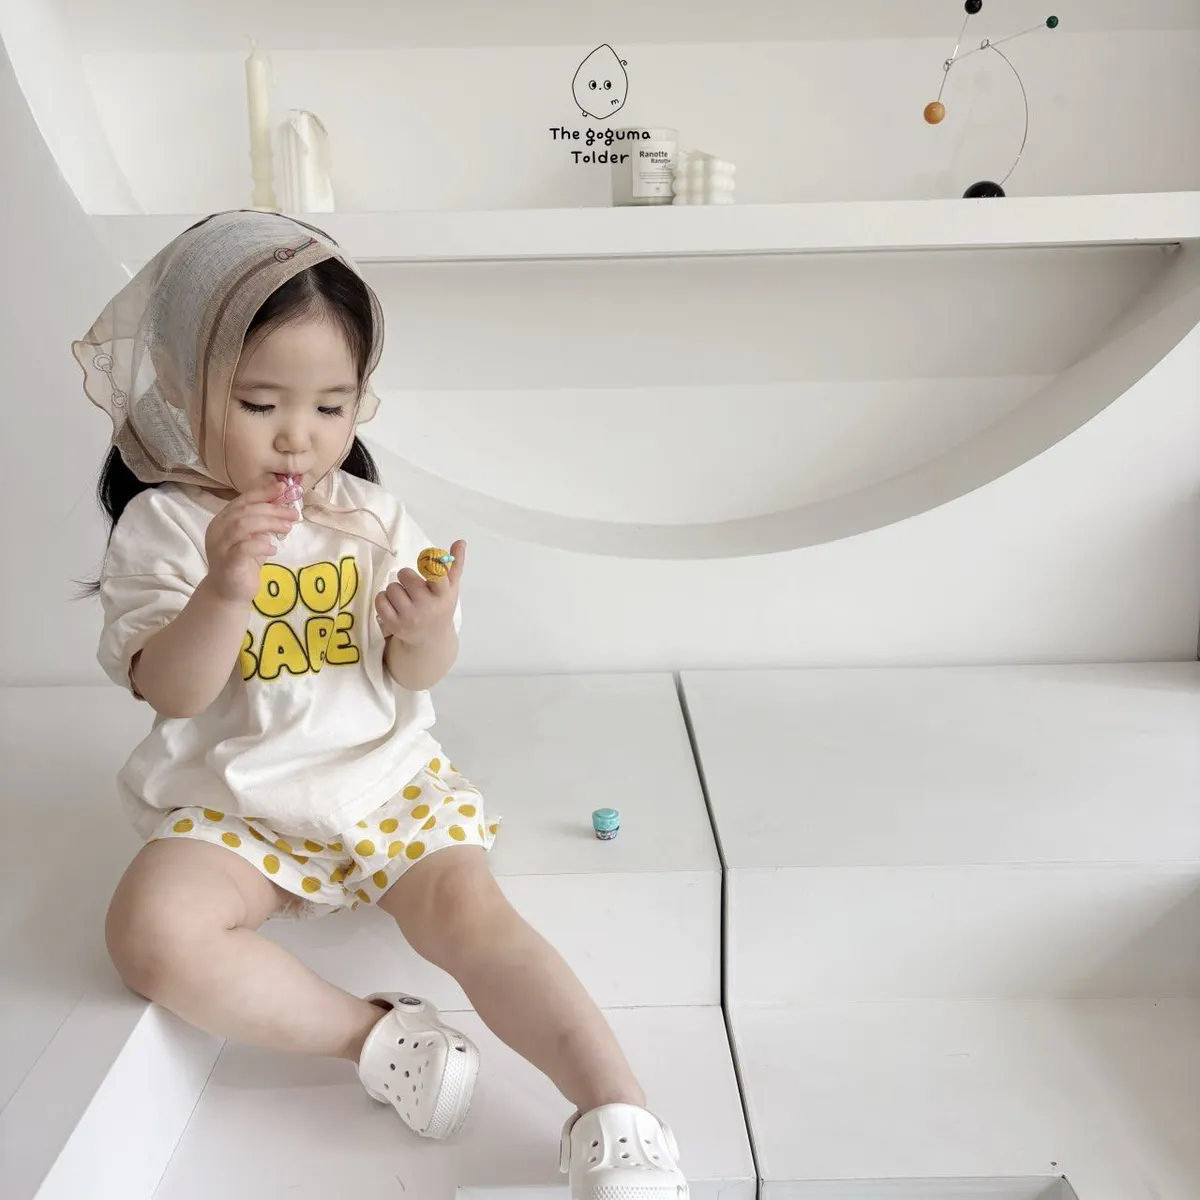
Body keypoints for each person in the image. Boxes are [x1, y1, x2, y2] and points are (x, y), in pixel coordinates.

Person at [75, 210, 689, 1198]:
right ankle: (375, 1037)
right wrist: (222, 590)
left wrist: (425, 626)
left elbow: (415, 675)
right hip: (239, 808)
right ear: (184, 387)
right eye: (259, 401)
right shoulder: (168, 526)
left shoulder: (369, 516)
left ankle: (618, 1114)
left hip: (383, 784)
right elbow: (172, 689)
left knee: (475, 917)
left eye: (331, 406)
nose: (298, 437)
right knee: (148, 933)